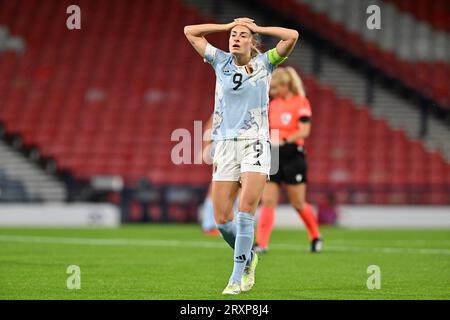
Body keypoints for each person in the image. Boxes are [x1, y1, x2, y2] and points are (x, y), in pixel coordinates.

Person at [184, 18, 298, 294]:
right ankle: (249, 258)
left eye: (242, 35)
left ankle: (236, 278)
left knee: (246, 211)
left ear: (251, 42)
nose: (235, 38)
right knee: (222, 219)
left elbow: (292, 35)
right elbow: (190, 32)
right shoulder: (218, 60)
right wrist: (225, 27)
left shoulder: (266, 63)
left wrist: (258, 29)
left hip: (256, 143)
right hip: (225, 144)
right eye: (233, 35)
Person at [254, 67, 323, 254]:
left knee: (298, 203)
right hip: (273, 154)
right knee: (267, 201)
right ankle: (262, 243)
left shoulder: (301, 102)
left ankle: (315, 236)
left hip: (293, 155)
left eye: (276, 88)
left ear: (286, 85)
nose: (273, 92)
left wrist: (283, 140)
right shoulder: (274, 104)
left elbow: (304, 131)